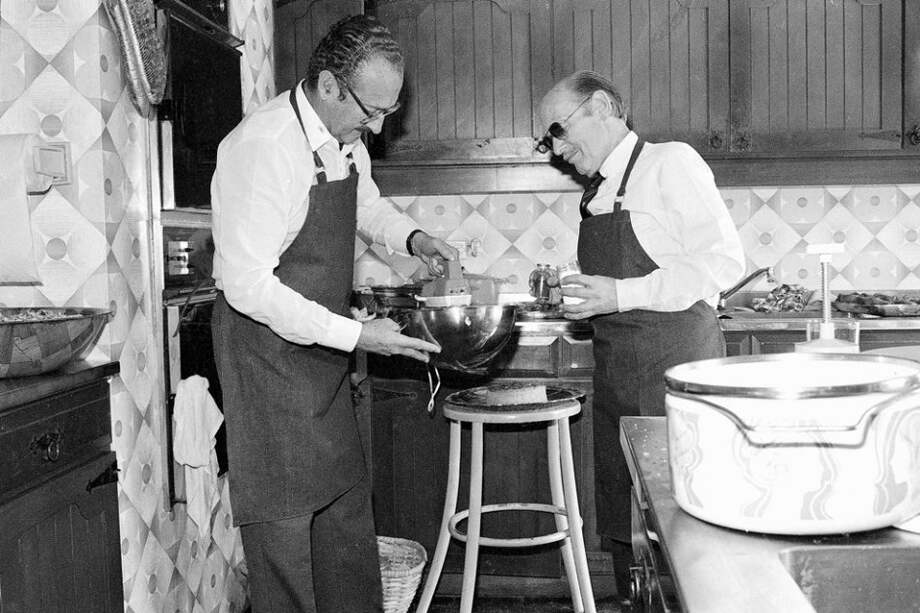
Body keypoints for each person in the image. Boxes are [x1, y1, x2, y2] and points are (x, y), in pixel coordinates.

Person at [209, 15, 457, 613]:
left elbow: (365, 205)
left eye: (386, 113)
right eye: (370, 111)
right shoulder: (263, 149)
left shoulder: (342, 137)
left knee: (345, 526)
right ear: (327, 84)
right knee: (286, 538)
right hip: (267, 363)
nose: (375, 126)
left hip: (319, 358)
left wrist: (414, 238)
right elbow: (246, 285)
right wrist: (357, 334)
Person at [537, 71, 745, 596]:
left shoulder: (668, 163)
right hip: (621, 377)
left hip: (675, 374)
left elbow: (721, 264)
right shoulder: (599, 192)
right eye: (549, 139)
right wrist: (590, 301)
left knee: (681, 528)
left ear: (603, 106)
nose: (555, 148)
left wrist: (619, 294)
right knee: (631, 526)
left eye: (559, 130)